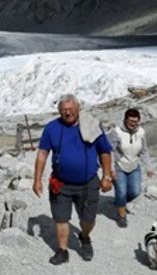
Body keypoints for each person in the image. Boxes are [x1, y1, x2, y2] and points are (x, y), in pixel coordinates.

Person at [33, 94, 113, 265]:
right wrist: (37, 180)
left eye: (70, 109)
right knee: (61, 218)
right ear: (59, 111)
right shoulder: (52, 128)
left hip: (88, 182)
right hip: (60, 183)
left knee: (88, 219)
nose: (67, 113)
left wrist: (106, 176)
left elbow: (105, 152)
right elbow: (42, 154)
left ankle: (85, 237)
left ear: (78, 108)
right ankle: (62, 251)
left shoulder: (91, 126)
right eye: (64, 110)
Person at [108, 108, 154, 227]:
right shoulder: (116, 132)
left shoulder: (141, 132)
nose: (133, 124)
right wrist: (111, 169)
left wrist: (149, 167)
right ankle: (121, 216)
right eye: (130, 121)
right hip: (119, 166)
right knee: (122, 191)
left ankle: (120, 202)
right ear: (125, 120)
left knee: (135, 191)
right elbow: (109, 151)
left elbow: (144, 151)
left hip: (134, 165)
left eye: (135, 121)